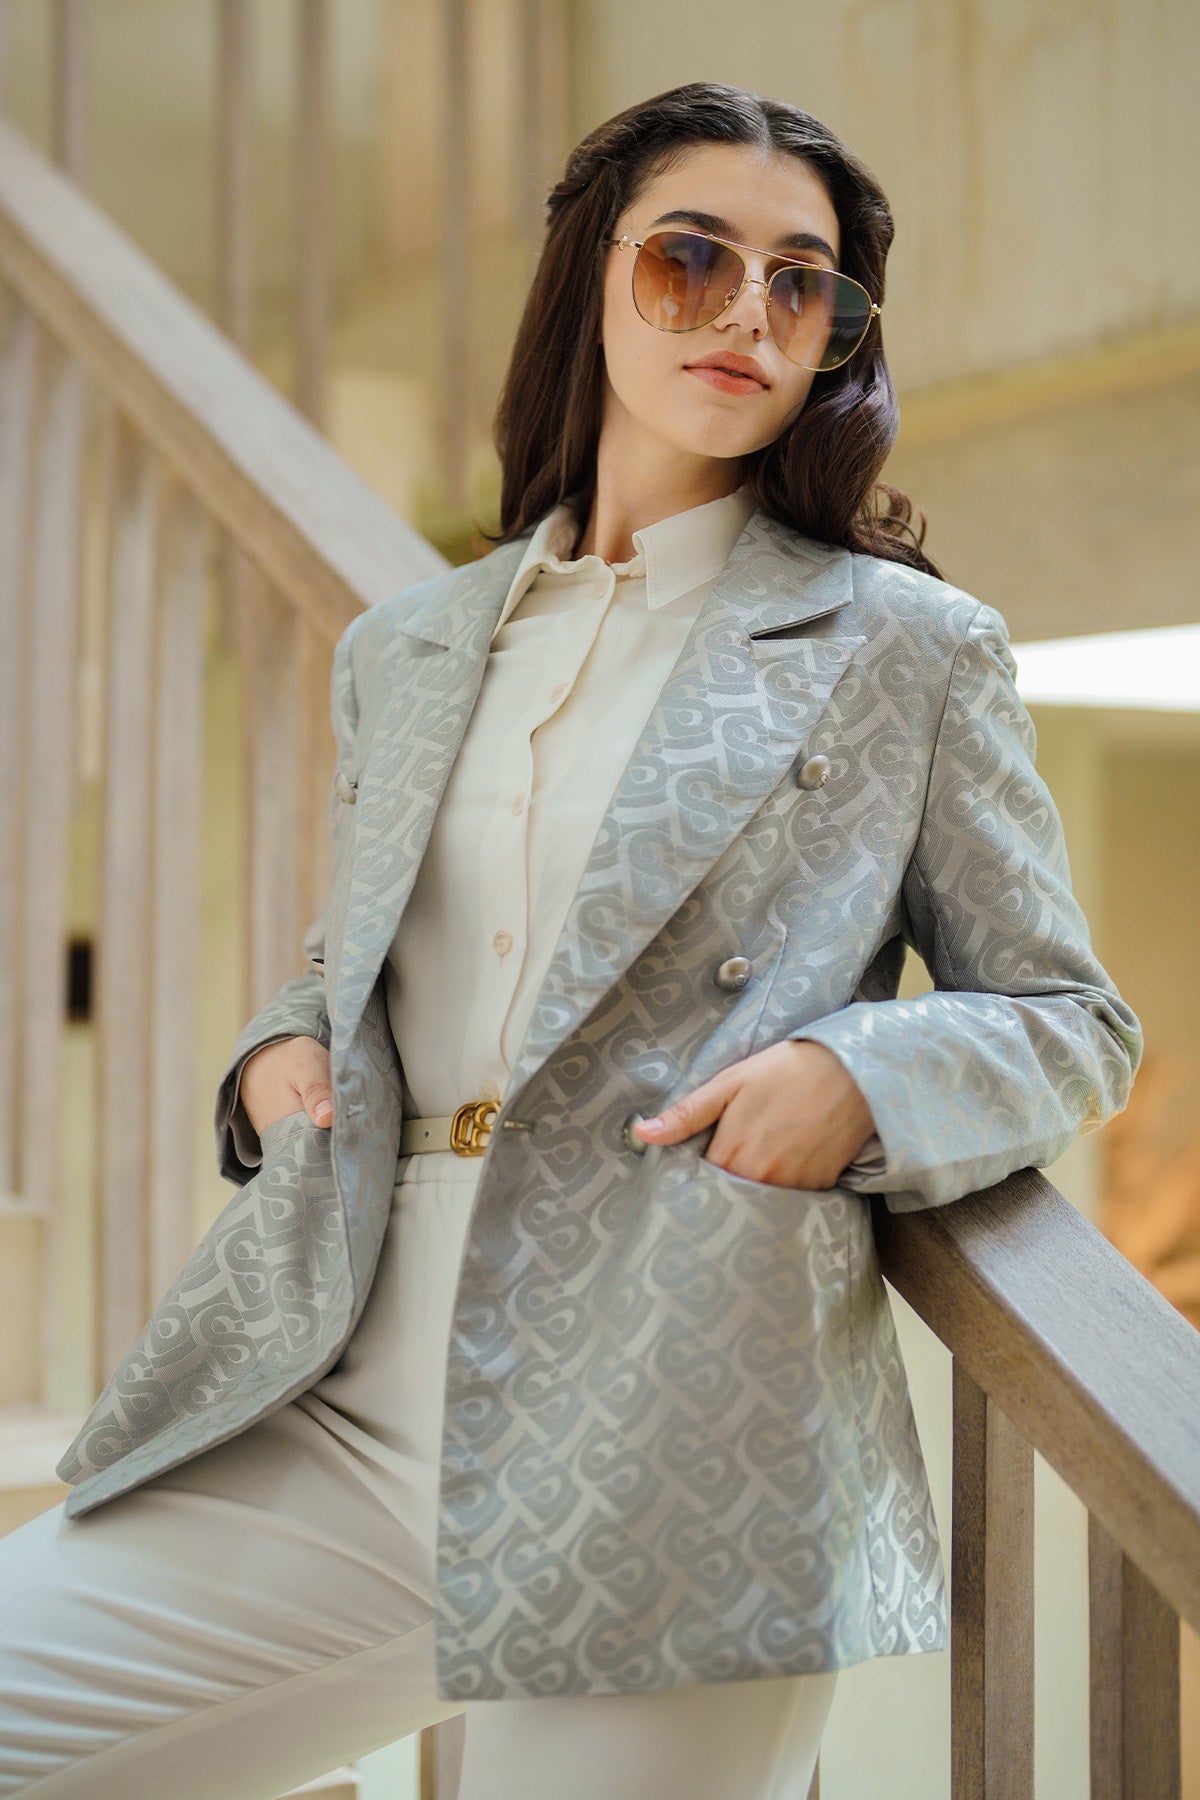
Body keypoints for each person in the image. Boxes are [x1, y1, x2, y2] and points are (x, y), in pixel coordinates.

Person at [0, 81, 1141, 1799]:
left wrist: (863, 1070)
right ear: (589, 279)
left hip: (664, 1422)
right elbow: (362, 956)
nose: (747, 313)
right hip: (342, 1380)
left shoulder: (906, 648)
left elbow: (1068, 1014)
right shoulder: (412, 644)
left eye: (802, 283)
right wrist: (276, 1050)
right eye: (692, 260)